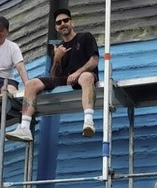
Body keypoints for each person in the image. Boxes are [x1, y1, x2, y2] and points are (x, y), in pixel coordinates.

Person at [6, 8, 99, 141]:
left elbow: (94, 61)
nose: (62, 24)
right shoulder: (59, 48)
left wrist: (78, 73)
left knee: (86, 76)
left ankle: (88, 121)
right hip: (64, 79)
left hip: (83, 77)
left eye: (65, 20)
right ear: (56, 28)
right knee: (31, 84)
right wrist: (57, 58)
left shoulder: (85, 37)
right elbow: (54, 76)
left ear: (72, 23)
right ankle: (24, 128)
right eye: (58, 22)